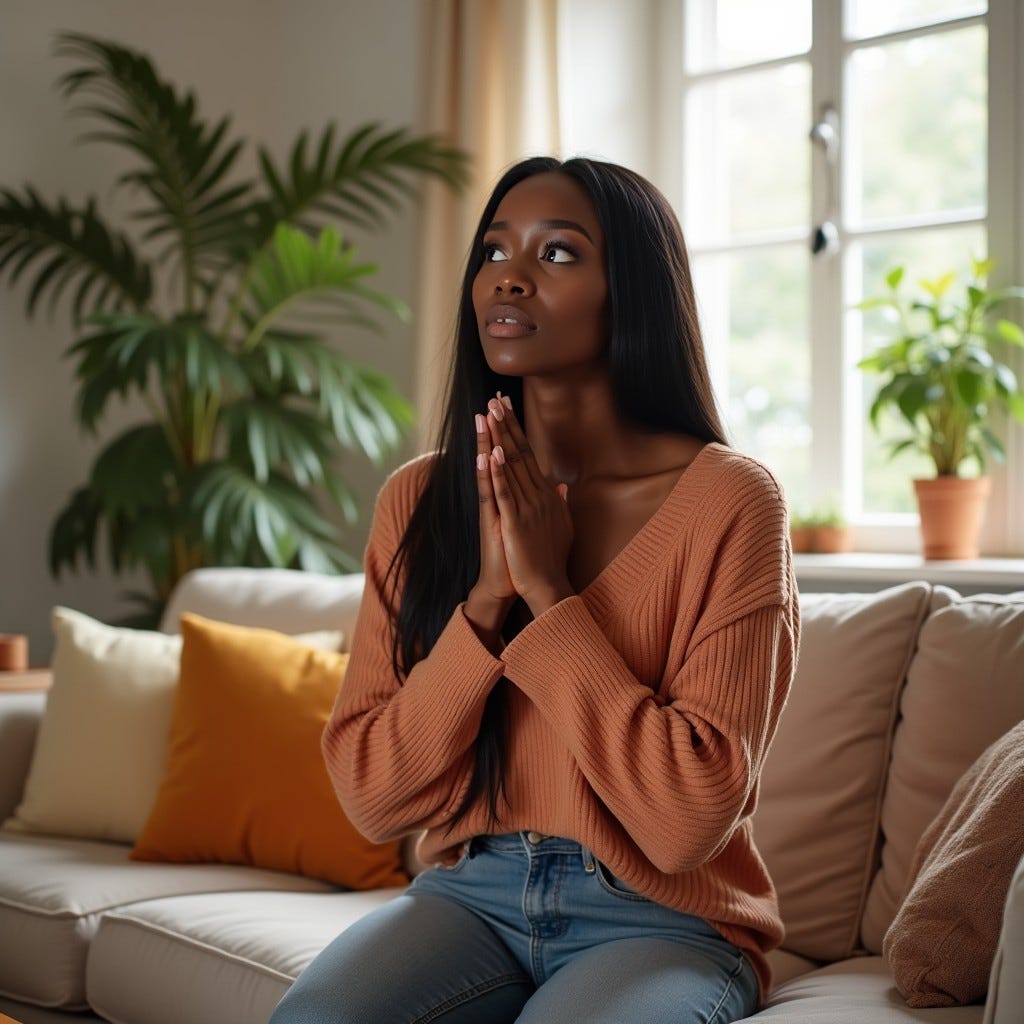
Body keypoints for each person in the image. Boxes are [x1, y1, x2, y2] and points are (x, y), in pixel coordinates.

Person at [269, 156, 799, 1024]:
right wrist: (485, 603)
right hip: (467, 894)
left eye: (557, 255)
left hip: (660, 919)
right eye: (492, 252)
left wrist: (552, 597)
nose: (507, 276)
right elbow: (372, 795)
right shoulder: (417, 500)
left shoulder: (731, 502)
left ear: (630, 292)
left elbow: (683, 823)